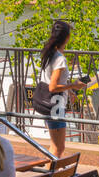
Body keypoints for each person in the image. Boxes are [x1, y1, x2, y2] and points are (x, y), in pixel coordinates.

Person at [34, 20, 86, 157]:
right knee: (58, 148)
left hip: (49, 103)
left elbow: (53, 79)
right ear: (67, 38)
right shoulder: (60, 59)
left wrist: (68, 91)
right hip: (55, 105)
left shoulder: (49, 53)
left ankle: (49, 175)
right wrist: (73, 86)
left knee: (54, 146)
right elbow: (53, 86)